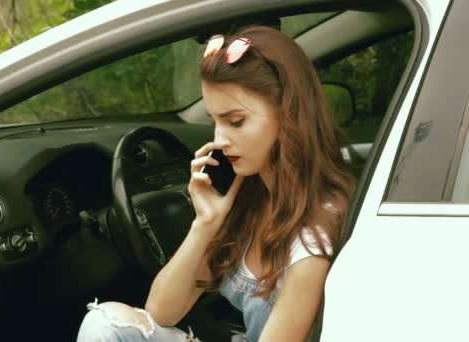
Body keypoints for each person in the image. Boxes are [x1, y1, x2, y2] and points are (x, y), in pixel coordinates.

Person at [76, 25, 356, 342]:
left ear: (288, 114)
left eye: (236, 121)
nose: (220, 140)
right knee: (105, 324)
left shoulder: (312, 238)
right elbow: (162, 312)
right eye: (215, 121)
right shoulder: (249, 196)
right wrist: (205, 223)